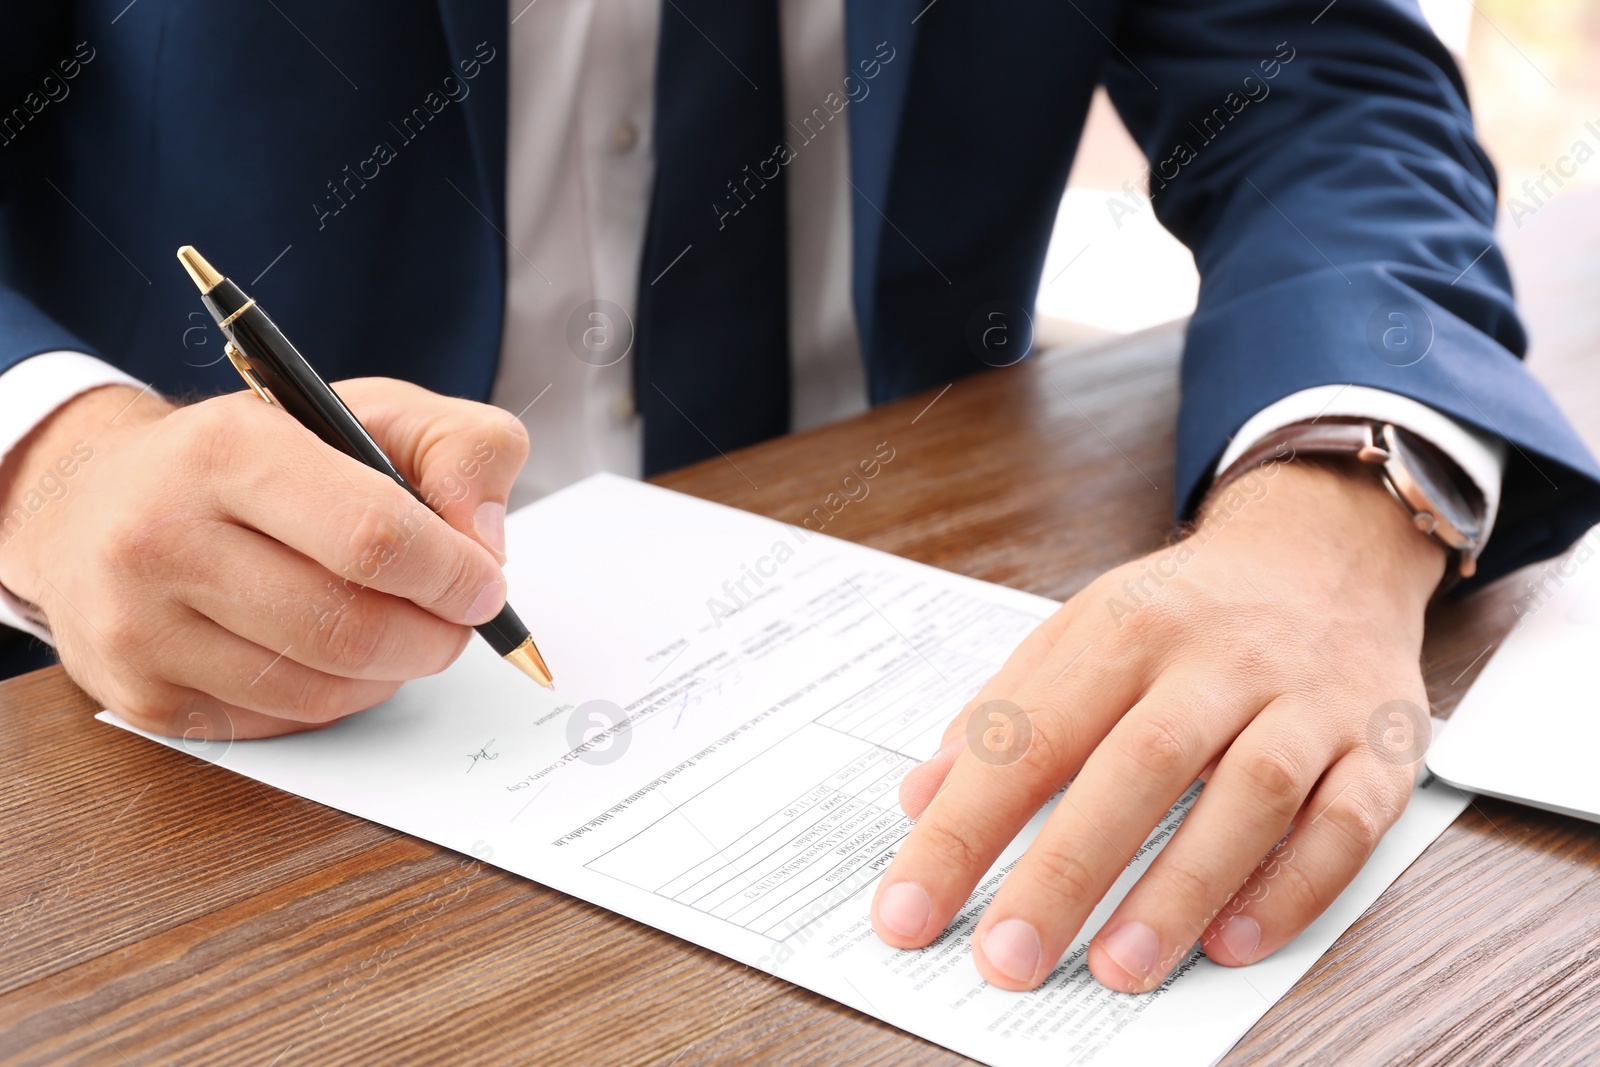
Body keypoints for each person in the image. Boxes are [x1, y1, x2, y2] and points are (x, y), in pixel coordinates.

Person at [0, 0, 1595, 997]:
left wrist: (1340, 499)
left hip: (882, 560)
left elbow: (1326, 83)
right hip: (176, 764)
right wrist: (52, 461)